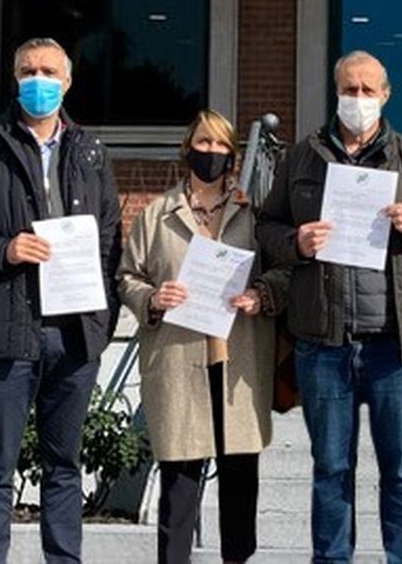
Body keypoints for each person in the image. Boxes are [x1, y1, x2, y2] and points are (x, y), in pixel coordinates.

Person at [255, 50, 402, 564]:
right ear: (336, 92)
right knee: (330, 471)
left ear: (386, 95)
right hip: (324, 344)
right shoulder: (302, 157)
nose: (359, 100)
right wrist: (296, 241)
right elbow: (266, 228)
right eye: (351, 90)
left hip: (398, 345)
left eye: (369, 91)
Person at [0, 37, 121, 564]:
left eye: (50, 71)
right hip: (4, 329)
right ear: (15, 79)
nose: (40, 81)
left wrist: (101, 323)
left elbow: (109, 242)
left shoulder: (91, 152)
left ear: (69, 79)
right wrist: (5, 250)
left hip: (74, 333)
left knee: (65, 466)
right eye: (29, 71)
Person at [117, 109, 289, 564]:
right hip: (178, 361)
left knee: (240, 481)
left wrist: (262, 294)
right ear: (187, 148)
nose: (210, 152)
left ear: (232, 154)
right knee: (180, 482)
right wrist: (154, 298)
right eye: (203, 142)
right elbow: (127, 277)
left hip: (240, 363)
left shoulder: (257, 215)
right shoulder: (156, 215)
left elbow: (285, 274)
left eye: (219, 145)